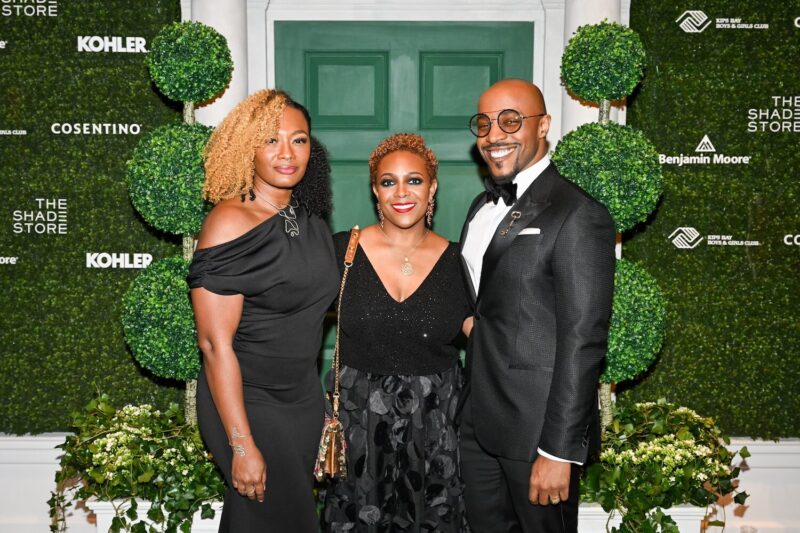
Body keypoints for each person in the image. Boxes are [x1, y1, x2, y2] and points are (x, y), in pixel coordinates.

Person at [458, 79, 616, 532]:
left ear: (543, 125)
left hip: (537, 432)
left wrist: (558, 450)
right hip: (478, 422)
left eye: (510, 121)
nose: (494, 135)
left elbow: (583, 339)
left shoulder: (578, 212)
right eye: (484, 123)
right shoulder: (480, 207)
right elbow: (486, 303)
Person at [187, 89, 338, 532]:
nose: (287, 153)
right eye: (271, 140)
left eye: (299, 140)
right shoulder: (229, 222)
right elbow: (214, 345)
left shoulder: (309, 219)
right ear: (246, 147)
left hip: (301, 399)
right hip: (247, 401)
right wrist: (241, 444)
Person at [323, 133, 472, 532]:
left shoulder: (460, 261)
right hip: (357, 424)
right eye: (389, 182)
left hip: (436, 427)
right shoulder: (342, 252)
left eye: (414, 180)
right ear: (375, 190)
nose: (402, 192)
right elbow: (293, 328)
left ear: (432, 187)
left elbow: (492, 341)